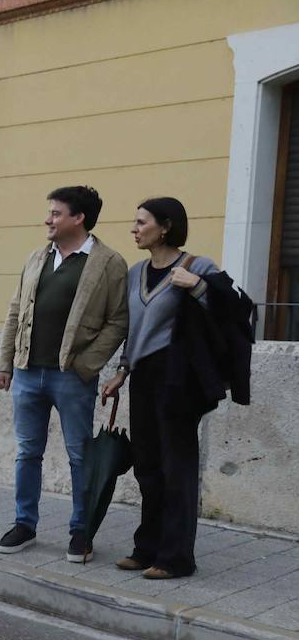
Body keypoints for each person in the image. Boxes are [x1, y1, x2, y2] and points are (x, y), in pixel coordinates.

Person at [0, 186, 128, 564]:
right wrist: (4, 364)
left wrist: (88, 366)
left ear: (78, 218)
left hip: (71, 376)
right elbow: (15, 312)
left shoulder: (108, 263)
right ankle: (24, 524)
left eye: (55, 213)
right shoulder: (37, 257)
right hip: (26, 373)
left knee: (79, 455)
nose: (48, 220)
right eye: (49, 213)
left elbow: (118, 321)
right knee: (27, 453)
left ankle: (80, 530)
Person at [99, 198, 219, 580]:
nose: (134, 229)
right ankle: (146, 548)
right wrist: (121, 370)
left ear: (165, 227)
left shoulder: (198, 266)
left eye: (141, 222)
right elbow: (134, 328)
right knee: (147, 465)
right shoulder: (136, 273)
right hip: (145, 376)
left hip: (179, 378)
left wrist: (199, 287)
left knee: (176, 467)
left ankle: (176, 557)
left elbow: (236, 310)